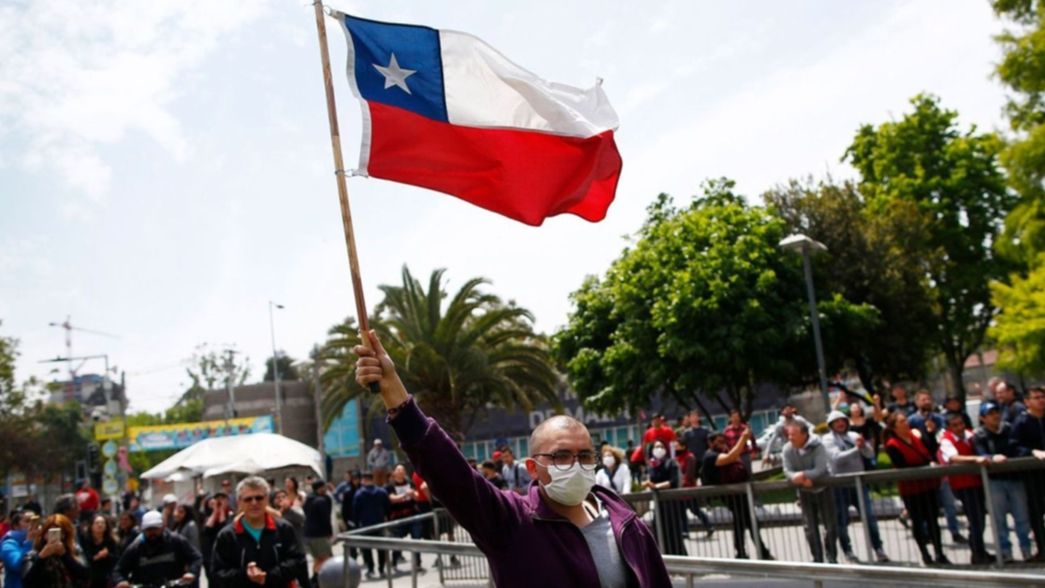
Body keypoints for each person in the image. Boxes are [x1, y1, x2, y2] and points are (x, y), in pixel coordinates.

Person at [355, 330, 670, 587]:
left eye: (584, 455)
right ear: (532, 467)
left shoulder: (626, 524)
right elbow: (450, 473)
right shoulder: (511, 522)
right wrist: (395, 394)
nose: (575, 464)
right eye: (561, 456)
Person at [210, 477, 309, 588]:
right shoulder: (227, 535)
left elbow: (298, 561)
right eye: (248, 499)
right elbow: (217, 573)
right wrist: (246, 575)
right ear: (239, 502)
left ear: (266, 500)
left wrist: (267, 576)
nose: (254, 503)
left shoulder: (284, 528)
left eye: (259, 498)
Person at [821, 410, 888, 563]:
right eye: (836, 421)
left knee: (869, 517)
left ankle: (878, 548)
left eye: (842, 420)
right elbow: (836, 458)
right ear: (831, 425)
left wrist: (864, 446)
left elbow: (870, 454)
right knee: (841, 521)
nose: (840, 423)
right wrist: (856, 449)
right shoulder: (827, 440)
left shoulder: (854, 436)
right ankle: (848, 551)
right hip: (839, 486)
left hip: (859, 485)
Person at [884, 411, 949, 565]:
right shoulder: (892, 445)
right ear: (894, 427)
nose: (906, 423)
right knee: (918, 522)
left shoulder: (916, 437)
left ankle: (939, 553)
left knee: (933, 521)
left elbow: (930, 451)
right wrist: (926, 466)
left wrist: (931, 434)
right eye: (901, 421)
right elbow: (902, 466)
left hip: (928, 486)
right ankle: (925, 554)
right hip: (912, 489)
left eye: (905, 420)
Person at [973, 401, 1034, 562]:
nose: (995, 416)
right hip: (994, 482)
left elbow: (1017, 447)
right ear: (982, 418)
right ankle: (1006, 553)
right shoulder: (979, 435)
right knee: (999, 520)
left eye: (996, 412)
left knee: (1022, 518)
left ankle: (1026, 550)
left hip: (1015, 479)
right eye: (990, 414)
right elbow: (980, 453)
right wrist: (992, 457)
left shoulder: (1009, 429)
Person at [701, 431, 772, 560]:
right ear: (710, 443)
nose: (722, 444)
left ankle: (743, 552)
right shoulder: (711, 456)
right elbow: (731, 457)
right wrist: (743, 438)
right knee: (750, 522)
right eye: (719, 442)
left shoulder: (720, 452)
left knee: (742, 523)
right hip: (730, 495)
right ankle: (759, 552)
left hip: (738, 494)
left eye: (723, 441)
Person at [907, 390, 966, 545]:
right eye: (923, 399)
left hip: (941, 465)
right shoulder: (912, 420)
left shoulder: (940, 419)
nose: (926, 402)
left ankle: (954, 532)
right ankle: (928, 534)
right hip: (924, 468)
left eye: (928, 399)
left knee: (949, 503)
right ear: (917, 402)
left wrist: (934, 432)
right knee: (928, 504)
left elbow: (945, 438)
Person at [938, 410, 994, 564]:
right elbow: (953, 457)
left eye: (961, 424)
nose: (959, 428)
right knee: (975, 520)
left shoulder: (971, 435)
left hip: (977, 482)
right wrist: (976, 459)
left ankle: (979, 550)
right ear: (949, 428)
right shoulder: (946, 440)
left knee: (980, 518)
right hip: (963, 485)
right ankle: (977, 553)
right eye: (955, 425)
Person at [782, 422, 837, 563]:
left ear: (804, 434)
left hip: (823, 489)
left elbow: (820, 468)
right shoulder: (787, 449)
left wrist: (803, 475)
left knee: (830, 526)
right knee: (810, 528)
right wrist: (795, 477)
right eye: (788, 434)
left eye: (793, 434)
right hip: (804, 492)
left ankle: (831, 556)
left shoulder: (818, 445)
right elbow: (787, 470)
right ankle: (817, 558)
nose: (790, 438)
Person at [113, 510, 201, 588]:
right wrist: (121, 581)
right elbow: (119, 570)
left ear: (162, 527)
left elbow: (196, 557)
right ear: (143, 530)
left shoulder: (176, 541)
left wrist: (192, 572)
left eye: (155, 529)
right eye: (148, 530)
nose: (152, 532)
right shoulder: (136, 547)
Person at [1012, 386, 1045, 561]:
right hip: (1034, 477)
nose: (1041, 400)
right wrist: (1032, 452)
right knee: (1037, 513)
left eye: (1042, 397)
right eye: (1036, 397)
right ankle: (1042, 549)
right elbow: (1014, 446)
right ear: (1027, 402)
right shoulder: (1022, 422)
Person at [641, 440, 687, 555]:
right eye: (656, 447)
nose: (659, 449)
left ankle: (680, 559)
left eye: (661, 446)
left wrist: (656, 486)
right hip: (658, 504)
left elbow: (673, 481)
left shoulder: (671, 463)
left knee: (673, 531)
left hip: (670, 502)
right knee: (659, 530)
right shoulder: (651, 466)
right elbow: (648, 481)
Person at [23, 514, 88, 588]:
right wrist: (41, 557)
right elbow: (27, 581)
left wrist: (64, 555)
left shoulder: (75, 550)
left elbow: (85, 575)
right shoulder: (32, 555)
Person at [352, 471, 391, 579]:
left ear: (363, 480)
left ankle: (370, 569)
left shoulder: (359, 494)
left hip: (365, 525)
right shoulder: (382, 492)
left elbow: (355, 511)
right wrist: (387, 518)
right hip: (380, 524)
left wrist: (356, 524)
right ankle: (382, 569)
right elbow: (388, 507)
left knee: (367, 549)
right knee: (381, 548)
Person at [386, 463, 424, 570]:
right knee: (397, 541)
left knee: (416, 539)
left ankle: (418, 563)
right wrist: (405, 495)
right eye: (398, 471)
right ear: (394, 473)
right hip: (398, 517)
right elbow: (392, 498)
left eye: (402, 471)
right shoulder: (390, 485)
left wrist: (413, 494)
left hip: (412, 515)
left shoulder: (409, 482)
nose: (401, 473)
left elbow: (416, 497)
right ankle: (394, 561)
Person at [674, 439, 714, 538]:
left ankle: (709, 526)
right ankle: (685, 531)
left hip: (688, 489)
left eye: (677, 445)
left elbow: (689, 473)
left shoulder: (689, 457)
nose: (675, 448)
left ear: (683, 446)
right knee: (681, 512)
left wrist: (683, 483)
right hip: (679, 491)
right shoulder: (677, 457)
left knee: (695, 510)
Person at [303, 479, 335, 580]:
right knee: (327, 559)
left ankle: (314, 580)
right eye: (324, 487)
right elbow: (325, 519)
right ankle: (318, 580)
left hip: (309, 534)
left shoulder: (309, 499)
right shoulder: (321, 500)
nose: (326, 489)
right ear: (320, 488)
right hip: (319, 535)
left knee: (319, 559)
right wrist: (330, 532)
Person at [762, 402, 812, 466]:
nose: (789, 411)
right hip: (789, 452)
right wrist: (766, 454)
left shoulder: (798, 420)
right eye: (786, 410)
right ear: (782, 412)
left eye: (790, 409)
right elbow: (772, 441)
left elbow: (810, 427)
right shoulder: (780, 426)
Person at [201, 491, 232, 582]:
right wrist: (215, 511)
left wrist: (222, 510)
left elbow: (224, 528)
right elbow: (207, 530)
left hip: (226, 554)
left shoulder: (231, 515)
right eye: (217, 499)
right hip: (210, 555)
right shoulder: (207, 517)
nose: (219, 502)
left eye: (222, 499)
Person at [82, 513, 119, 588]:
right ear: (91, 526)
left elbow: (117, 559)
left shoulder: (111, 541)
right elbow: (85, 559)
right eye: (97, 523)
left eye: (102, 523)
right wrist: (97, 557)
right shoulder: (86, 541)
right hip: (91, 578)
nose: (100, 525)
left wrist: (107, 555)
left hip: (107, 578)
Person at [1, 510, 36, 588]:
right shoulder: (8, 544)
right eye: (27, 521)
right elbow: (18, 565)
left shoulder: (37, 541)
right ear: (16, 526)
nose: (32, 524)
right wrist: (28, 542)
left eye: (35, 521)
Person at [681, 410, 712, 475]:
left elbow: (710, 444)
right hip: (692, 460)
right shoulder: (686, 433)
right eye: (692, 416)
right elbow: (684, 447)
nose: (694, 417)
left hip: (704, 458)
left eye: (696, 416)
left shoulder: (706, 430)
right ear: (689, 419)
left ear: (698, 417)